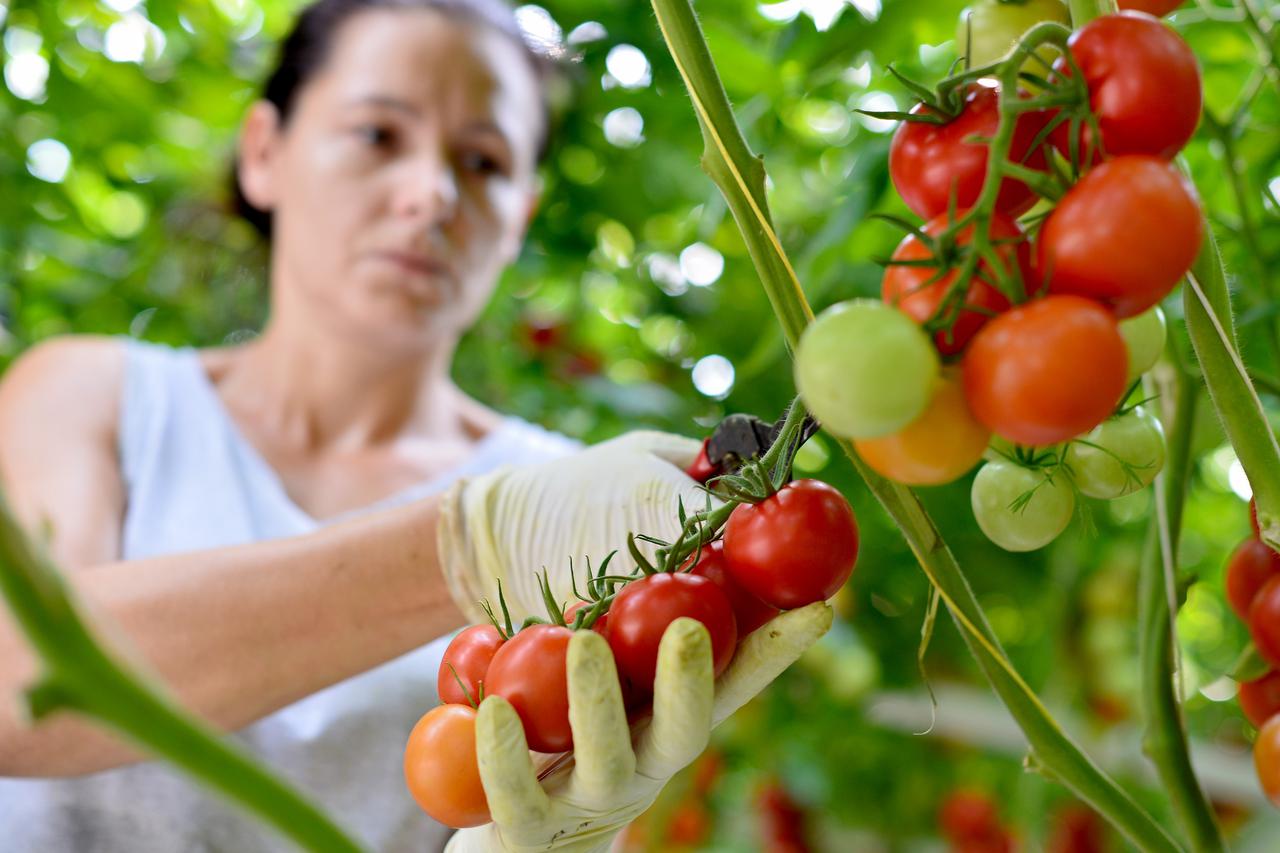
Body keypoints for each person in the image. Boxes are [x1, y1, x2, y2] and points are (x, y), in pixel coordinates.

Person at [0, 1, 829, 850]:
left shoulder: (585, 507)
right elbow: (20, 681)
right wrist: (467, 547)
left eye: (482, 161)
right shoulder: (95, 394)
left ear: (522, 214)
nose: (431, 194)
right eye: (377, 135)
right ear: (264, 152)